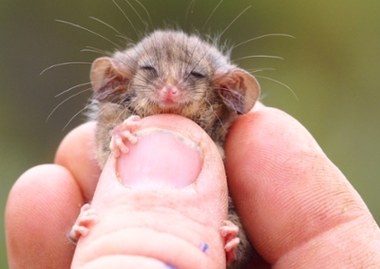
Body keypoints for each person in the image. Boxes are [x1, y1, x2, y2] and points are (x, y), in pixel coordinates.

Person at [5, 103, 380, 268]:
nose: (170, 90)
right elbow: (103, 152)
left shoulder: (225, 134)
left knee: (233, 229)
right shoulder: (115, 123)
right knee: (69, 214)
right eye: (153, 72)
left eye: (192, 78)